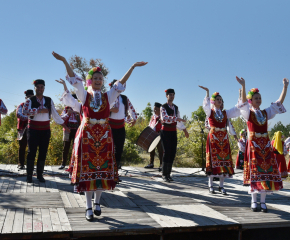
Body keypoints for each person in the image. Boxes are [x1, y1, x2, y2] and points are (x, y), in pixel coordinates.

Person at [52, 51, 147, 221]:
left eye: (100, 79)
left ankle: (98, 203)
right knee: (88, 170)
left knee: (102, 170)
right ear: (90, 81)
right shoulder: (84, 95)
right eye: (95, 78)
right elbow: (74, 79)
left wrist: (132, 67)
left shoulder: (108, 96)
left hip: (104, 135)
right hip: (87, 134)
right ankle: (88, 207)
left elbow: (121, 83)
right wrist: (65, 61)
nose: (98, 81)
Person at [238, 77, 288, 213]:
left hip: (265, 146)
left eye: (259, 98)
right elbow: (242, 103)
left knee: (266, 174)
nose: (259, 100)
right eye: (256, 98)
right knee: (256, 173)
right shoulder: (247, 113)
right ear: (251, 101)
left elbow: (278, 104)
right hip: (254, 146)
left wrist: (285, 87)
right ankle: (254, 202)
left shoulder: (265, 113)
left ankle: (263, 202)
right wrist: (243, 86)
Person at [199, 77, 243, 195]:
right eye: (218, 99)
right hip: (213, 138)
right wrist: (208, 93)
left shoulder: (225, 113)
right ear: (214, 101)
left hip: (223, 138)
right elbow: (206, 106)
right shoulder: (210, 112)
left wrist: (240, 95)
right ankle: (211, 185)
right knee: (214, 161)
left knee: (223, 162)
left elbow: (237, 109)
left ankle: (221, 186)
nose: (220, 101)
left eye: (221, 99)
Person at [23, 79, 70, 183]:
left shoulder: (48, 100)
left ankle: (40, 175)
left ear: (44, 88)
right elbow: (24, 111)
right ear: (35, 88)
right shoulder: (29, 100)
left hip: (45, 130)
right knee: (31, 152)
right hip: (33, 129)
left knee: (43, 152)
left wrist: (64, 125)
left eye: (41, 87)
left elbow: (55, 115)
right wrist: (38, 110)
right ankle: (29, 175)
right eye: (38, 87)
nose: (40, 89)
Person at [160, 89, 189, 182]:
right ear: (166, 96)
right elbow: (164, 118)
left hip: (173, 132)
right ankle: (164, 174)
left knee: (172, 152)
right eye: (170, 95)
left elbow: (179, 122)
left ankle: (168, 174)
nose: (172, 96)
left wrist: (184, 130)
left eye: (173, 95)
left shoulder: (176, 107)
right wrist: (176, 118)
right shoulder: (163, 107)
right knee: (166, 152)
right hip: (165, 132)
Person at [109, 79, 138, 169]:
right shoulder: (108, 97)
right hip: (109, 126)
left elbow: (132, 109)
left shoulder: (124, 98)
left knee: (119, 148)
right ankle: (109, 167)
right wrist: (111, 109)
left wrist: (134, 119)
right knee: (109, 147)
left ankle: (116, 167)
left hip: (120, 127)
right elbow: (101, 107)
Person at [59, 94, 81, 170]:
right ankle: (63, 163)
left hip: (76, 129)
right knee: (66, 147)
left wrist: (77, 114)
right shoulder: (66, 108)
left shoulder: (79, 108)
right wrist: (68, 114)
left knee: (76, 147)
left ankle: (75, 163)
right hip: (67, 129)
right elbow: (61, 119)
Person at [16, 90, 34, 169]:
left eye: (31, 97)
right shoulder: (21, 105)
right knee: (22, 146)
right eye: (28, 97)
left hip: (33, 128)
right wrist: (29, 118)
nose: (29, 98)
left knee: (32, 147)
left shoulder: (35, 106)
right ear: (26, 97)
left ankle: (30, 164)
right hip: (22, 128)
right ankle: (21, 163)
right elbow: (18, 114)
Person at [144, 102, 163, 171]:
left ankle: (161, 164)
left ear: (160, 110)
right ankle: (151, 163)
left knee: (160, 150)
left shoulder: (162, 117)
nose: (155, 111)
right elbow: (150, 125)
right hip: (152, 135)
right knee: (151, 150)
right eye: (154, 109)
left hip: (159, 135)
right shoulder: (153, 117)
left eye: (156, 109)